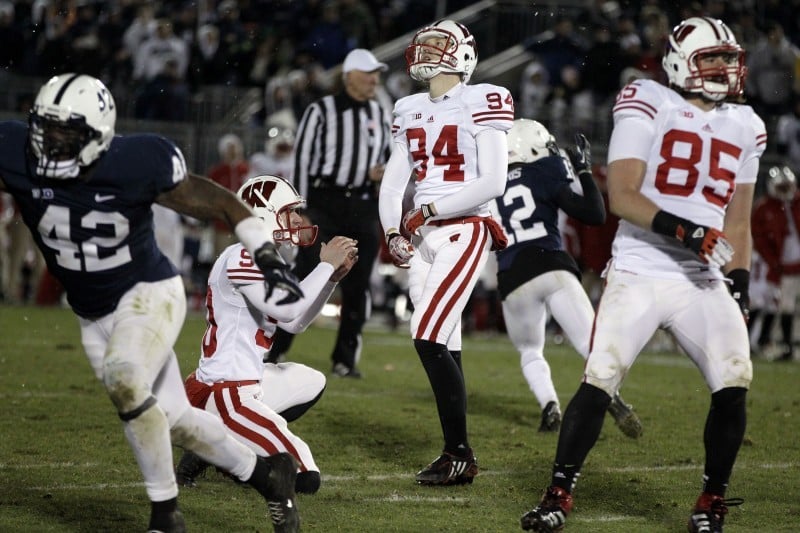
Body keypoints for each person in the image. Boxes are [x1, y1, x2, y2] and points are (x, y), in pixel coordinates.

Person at [0, 73, 304, 533]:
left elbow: (219, 202)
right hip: (92, 313)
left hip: (147, 294)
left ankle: (165, 515)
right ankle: (267, 474)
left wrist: (264, 252)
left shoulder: (135, 161)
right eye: (47, 128)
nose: (52, 143)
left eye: (68, 133)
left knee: (125, 378)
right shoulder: (16, 149)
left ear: (98, 137)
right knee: (175, 420)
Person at [520, 18, 766, 532]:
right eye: (710, 58)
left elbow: (738, 220)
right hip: (641, 267)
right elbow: (623, 195)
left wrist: (739, 284)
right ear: (680, 61)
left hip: (703, 278)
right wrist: (689, 231)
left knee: (735, 377)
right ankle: (557, 494)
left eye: (728, 58)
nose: (723, 69)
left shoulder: (747, 125)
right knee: (601, 378)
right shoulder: (648, 98)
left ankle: (710, 501)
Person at [378, 19, 513, 486]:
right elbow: (396, 180)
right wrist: (393, 230)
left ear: (463, 54)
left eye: (438, 44)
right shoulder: (407, 106)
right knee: (444, 341)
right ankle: (455, 454)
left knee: (428, 334)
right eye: (423, 44)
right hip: (424, 236)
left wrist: (427, 209)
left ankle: (460, 452)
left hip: (466, 227)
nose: (425, 52)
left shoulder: (485, 98)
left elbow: (493, 181)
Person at [174, 175, 358, 494]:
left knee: (313, 381)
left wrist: (331, 281)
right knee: (305, 476)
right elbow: (287, 309)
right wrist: (325, 266)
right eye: (289, 212)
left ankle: (215, 446)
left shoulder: (268, 260)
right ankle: (218, 447)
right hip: (221, 392)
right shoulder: (241, 254)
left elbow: (294, 323)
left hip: (246, 382)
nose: (298, 220)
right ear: (263, 214)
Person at [492, 118, 642, 437]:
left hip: (512, 276)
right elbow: (594, 214)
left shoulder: (489, 183)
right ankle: (611, 398)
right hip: (551, 265)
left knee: (530, 351)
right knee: (593, 348)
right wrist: (584, 171)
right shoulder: (543, 169)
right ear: (531, 146)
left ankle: (549, 405)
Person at [270, 48, 392, 377]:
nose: (375, 79)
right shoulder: (322, 110)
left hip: (363, 205)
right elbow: (303, 161)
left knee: (358, 285)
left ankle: (345, 359)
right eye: (369, 73)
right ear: (349, 75)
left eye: (377, 73)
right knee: (306, 274)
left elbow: (387, 157)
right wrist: (301, 207)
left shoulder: (380, 113)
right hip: (324, 203)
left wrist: (382, 173)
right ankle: (275, 348)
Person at [751, 166, 800, 362]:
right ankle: (786, 346)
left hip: (786, 265)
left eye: (786, 187)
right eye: (780, 187)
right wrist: (773, 262)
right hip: (781, 266)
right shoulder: (764, 208)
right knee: (782, 306)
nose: (784, 191)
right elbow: (760, 238)